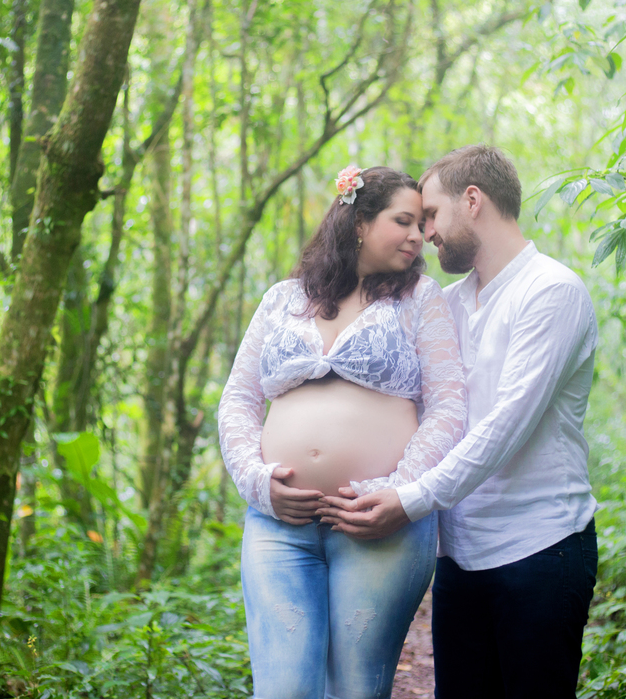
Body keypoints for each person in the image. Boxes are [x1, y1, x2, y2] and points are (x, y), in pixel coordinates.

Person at [320, 145, 600, 699]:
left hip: (541, 548)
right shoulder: (445, 304)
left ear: (472, 200)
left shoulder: (552, 291)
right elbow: (413, 411)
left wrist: (409, 499)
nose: (424, 233)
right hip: (460, 555)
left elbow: (503, 426)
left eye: (429, 216)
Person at [217, 165, 467, 699]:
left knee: (357, 691)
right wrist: (258, 483)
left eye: (422, 223)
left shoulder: (421, 299)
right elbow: (238, 400)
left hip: (379, 529)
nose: (418, 236)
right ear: (358, 223)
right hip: (278, 523)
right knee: (283, 690)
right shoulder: (282, 299)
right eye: (403, 220)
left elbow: (449, 407)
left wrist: (395, 490)